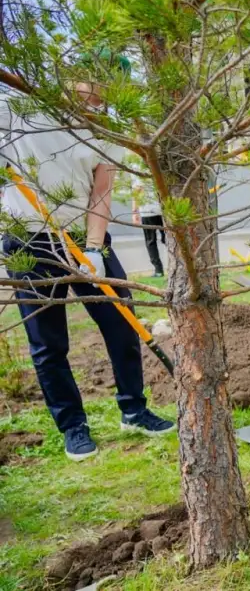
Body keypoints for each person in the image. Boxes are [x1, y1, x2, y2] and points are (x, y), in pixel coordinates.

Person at [0, 62, 176, 461]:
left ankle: (134, 409)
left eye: (108, 89)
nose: (98, 96)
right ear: (70, 78)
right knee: (48, 343)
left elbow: (101, 193)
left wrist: (95, 248)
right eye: (93, 83)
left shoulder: (104, 131)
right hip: (29, 241)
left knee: (120, 323)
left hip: (84, 236)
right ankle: (73, 426)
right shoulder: (16, 114)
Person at [131, 170, 165, 277]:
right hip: (163, 210)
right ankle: (179, 263)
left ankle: (158, 270)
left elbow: (137, 190)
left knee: (150, 242)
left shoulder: (136, 167)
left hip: (148, 211)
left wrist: (134, 211)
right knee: (169, 239)